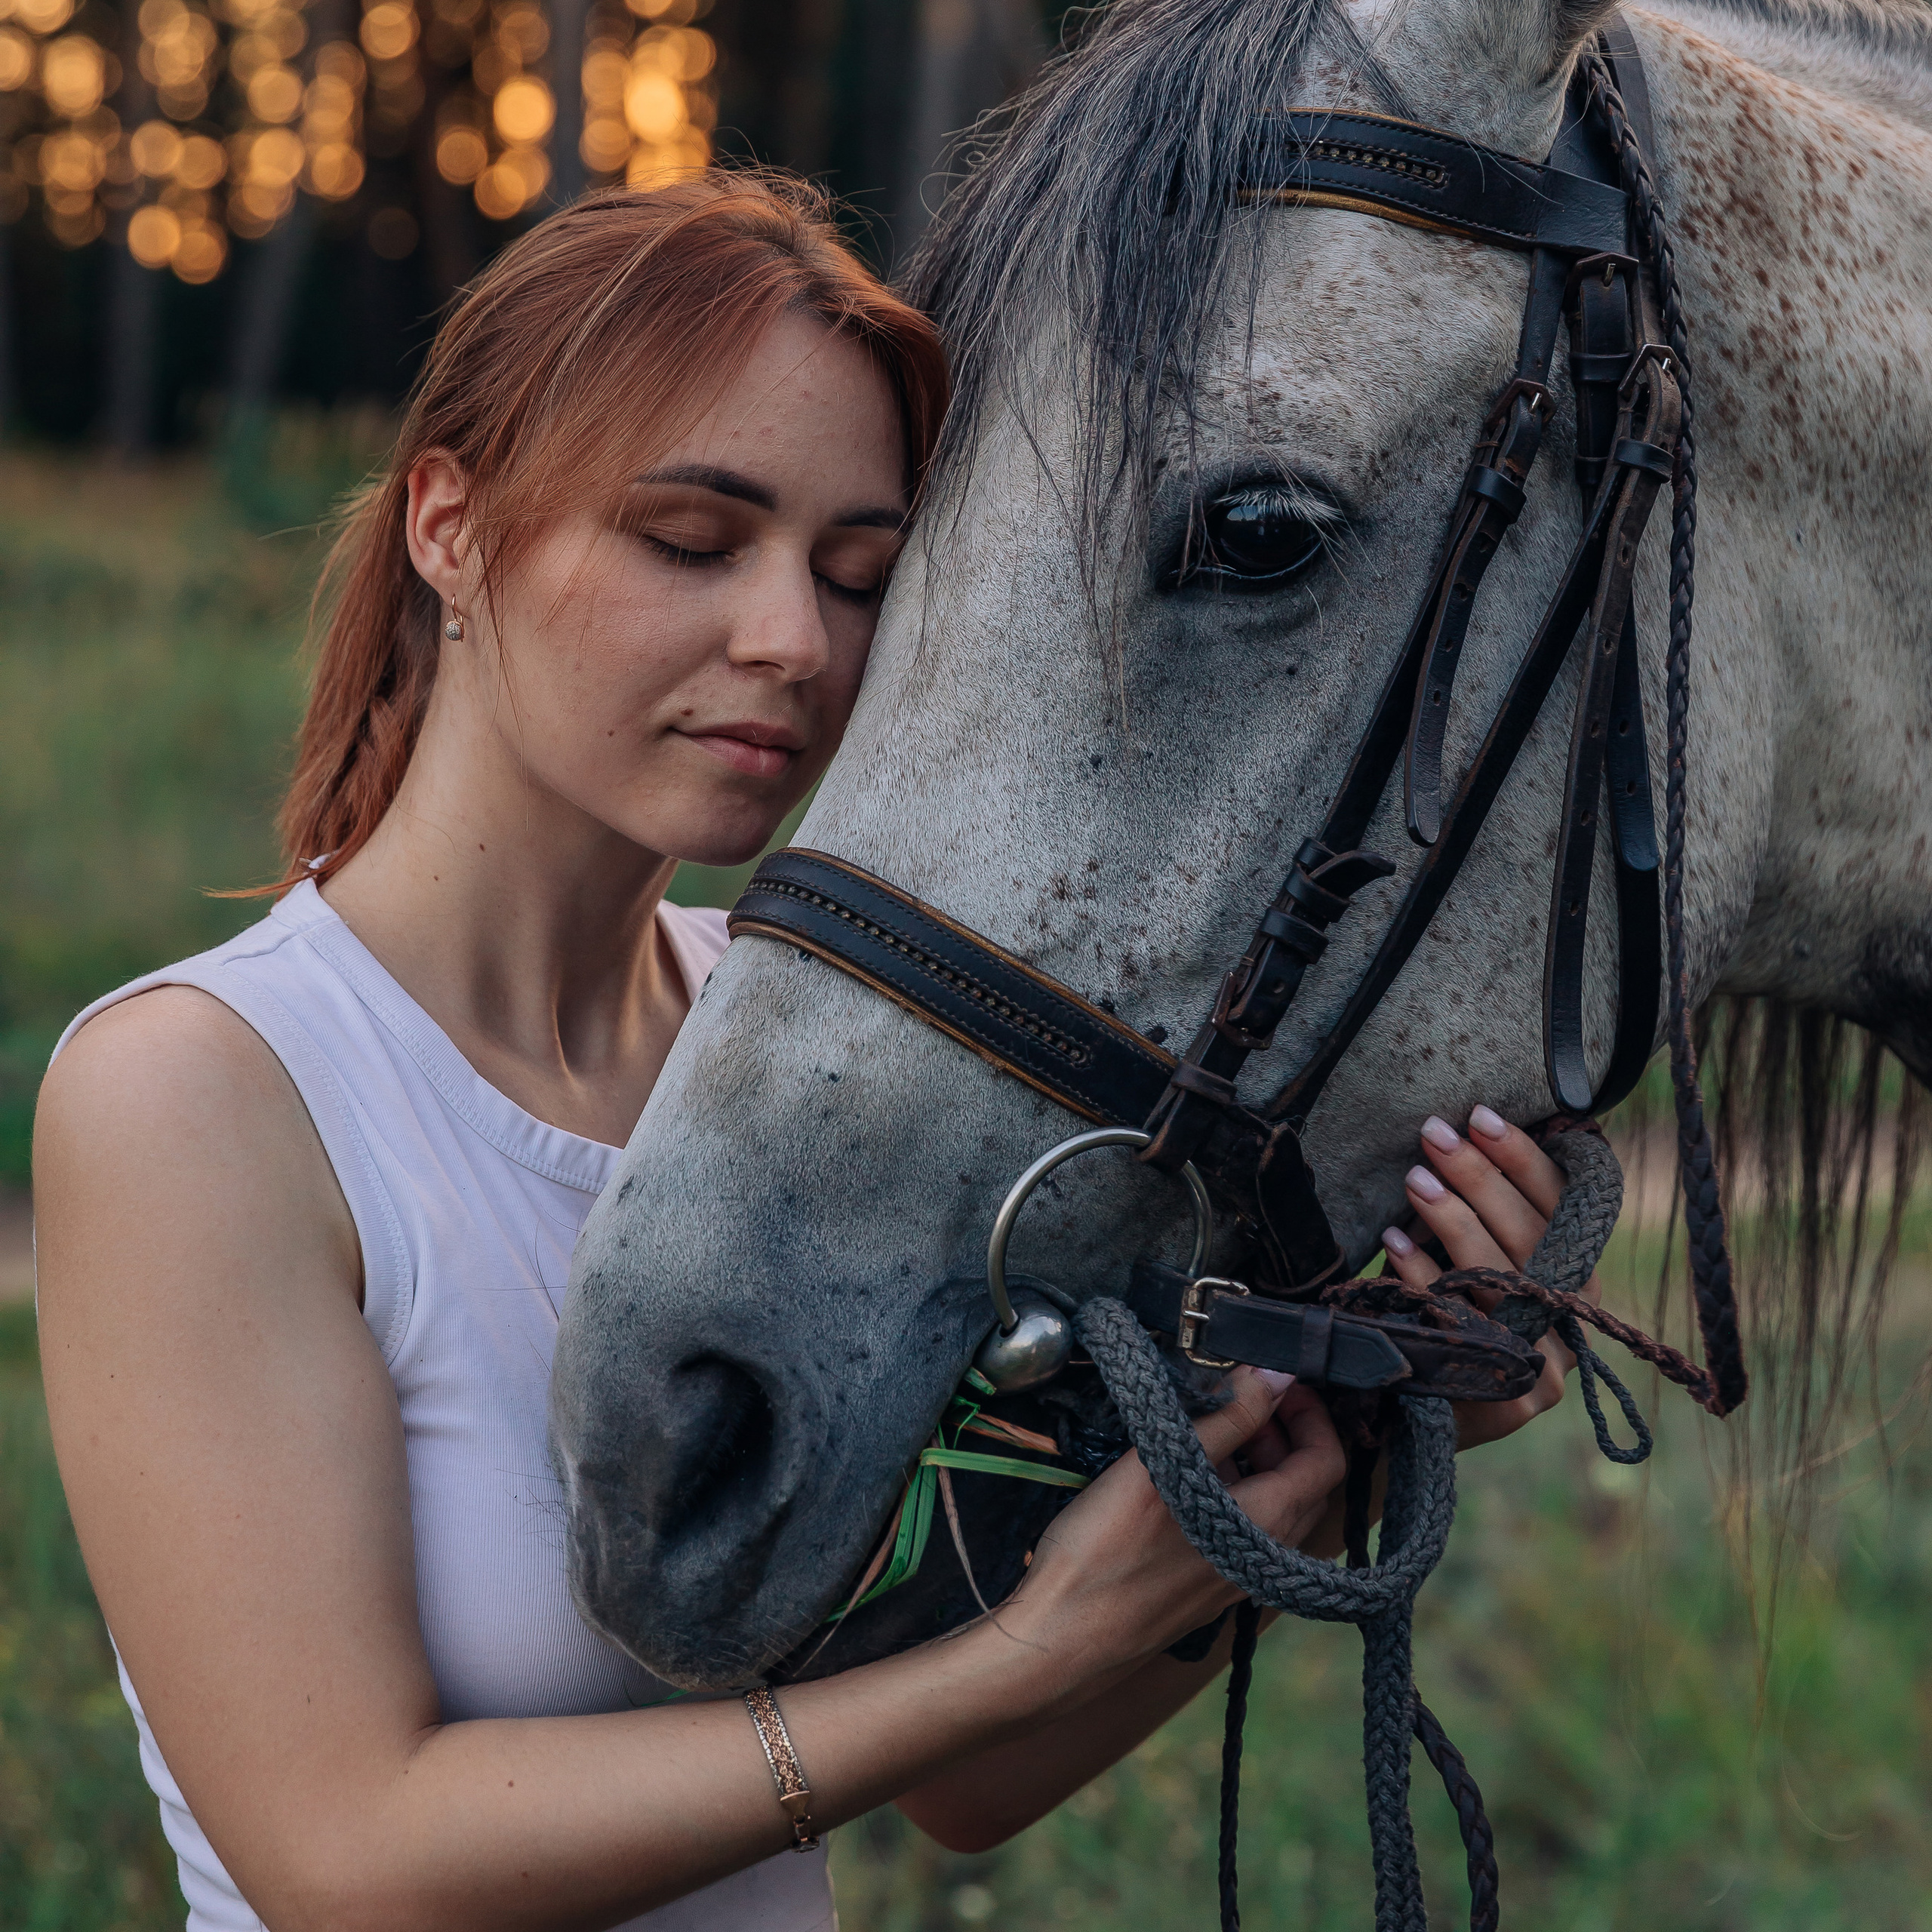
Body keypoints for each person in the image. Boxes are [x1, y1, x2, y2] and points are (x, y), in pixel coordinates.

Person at [34, 171, 1594, 1932]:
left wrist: (1346, 1448)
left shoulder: (807, 1073)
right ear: (448, 530)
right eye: (691, 540)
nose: (791, 640)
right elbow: (344, 1854)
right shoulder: (205, 1092)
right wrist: (1014, 1665)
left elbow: (956, 1787)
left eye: (859, 575)